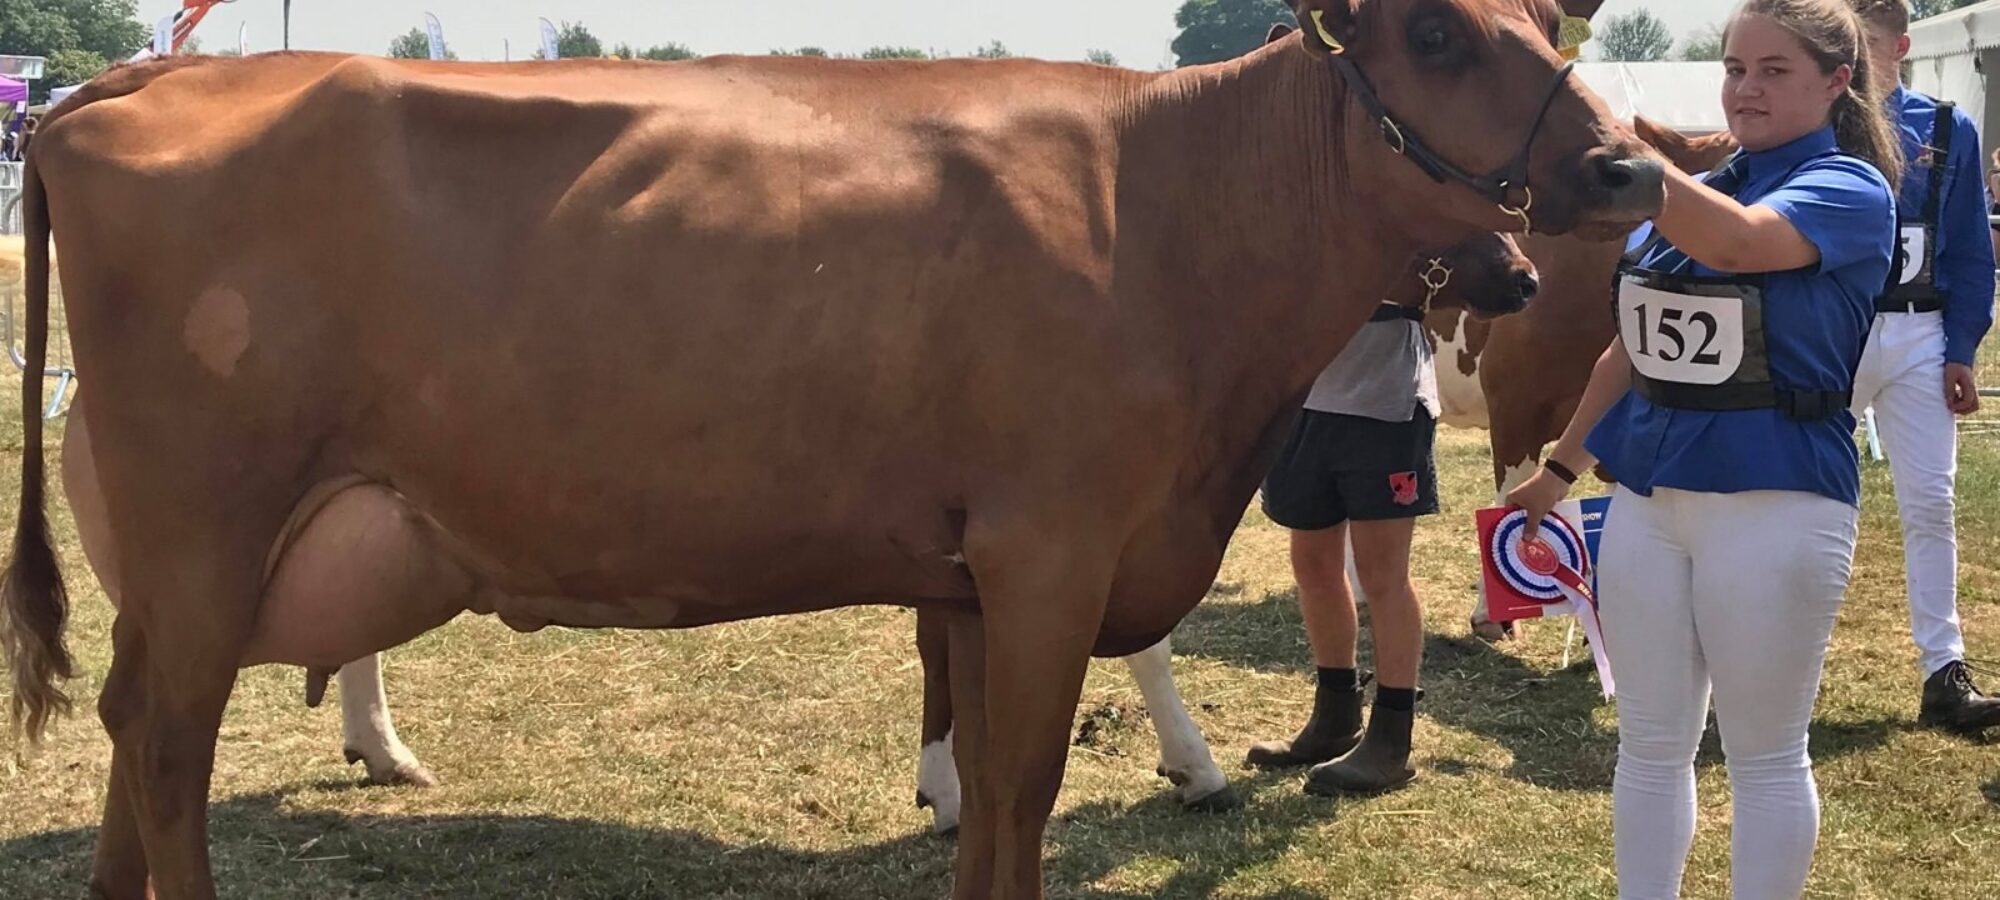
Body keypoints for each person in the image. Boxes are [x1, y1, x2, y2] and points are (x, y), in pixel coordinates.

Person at [1508, 1, 1900, 896]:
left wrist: (1640, 169)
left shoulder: (1847, 188)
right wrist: (1560, 468)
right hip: (1648, 497)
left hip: (1778, 495)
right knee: (1648, 746)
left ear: (1838, 82)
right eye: (1733, 67)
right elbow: (1628, 347)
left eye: (1774, 71)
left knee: (1763, 755)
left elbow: (1744, 244)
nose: (1745, 88)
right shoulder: (1708, 183)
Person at [1850, 0, 2000, 735]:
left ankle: (1945, 669)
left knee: (1931, 501)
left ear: (1901, 46)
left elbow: (1970, 245)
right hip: (1836, 328)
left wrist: (1963, 347)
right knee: (1804, 500)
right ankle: (1765, 662)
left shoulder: (1946, 128)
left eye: (1868, 46)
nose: (1854, 61)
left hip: (1921, 328)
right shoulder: (1818, 124)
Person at [1244, 274, 1443, 796]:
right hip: (1303, 399)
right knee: (1312, 564)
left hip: (1385, 404)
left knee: (1383, 575)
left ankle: (1392, 742)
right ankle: (1335, 718)